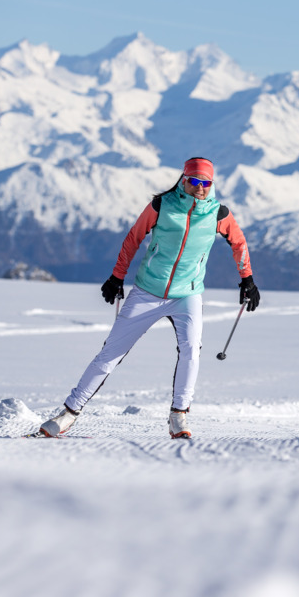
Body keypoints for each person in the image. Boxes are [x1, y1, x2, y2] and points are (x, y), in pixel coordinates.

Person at [39, 157, 261, 439]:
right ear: (184, 180)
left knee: (191, 349)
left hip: (188, 294)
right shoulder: (162, 206)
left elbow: (239, 243)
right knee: (110, 353)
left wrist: (248, 280)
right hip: (148, 290)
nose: (200, 188)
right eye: (195, 181)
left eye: (206, 182)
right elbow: (134, 238)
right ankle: (68, 414)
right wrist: (117, 276)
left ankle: (178, 415)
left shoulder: (219, 214)